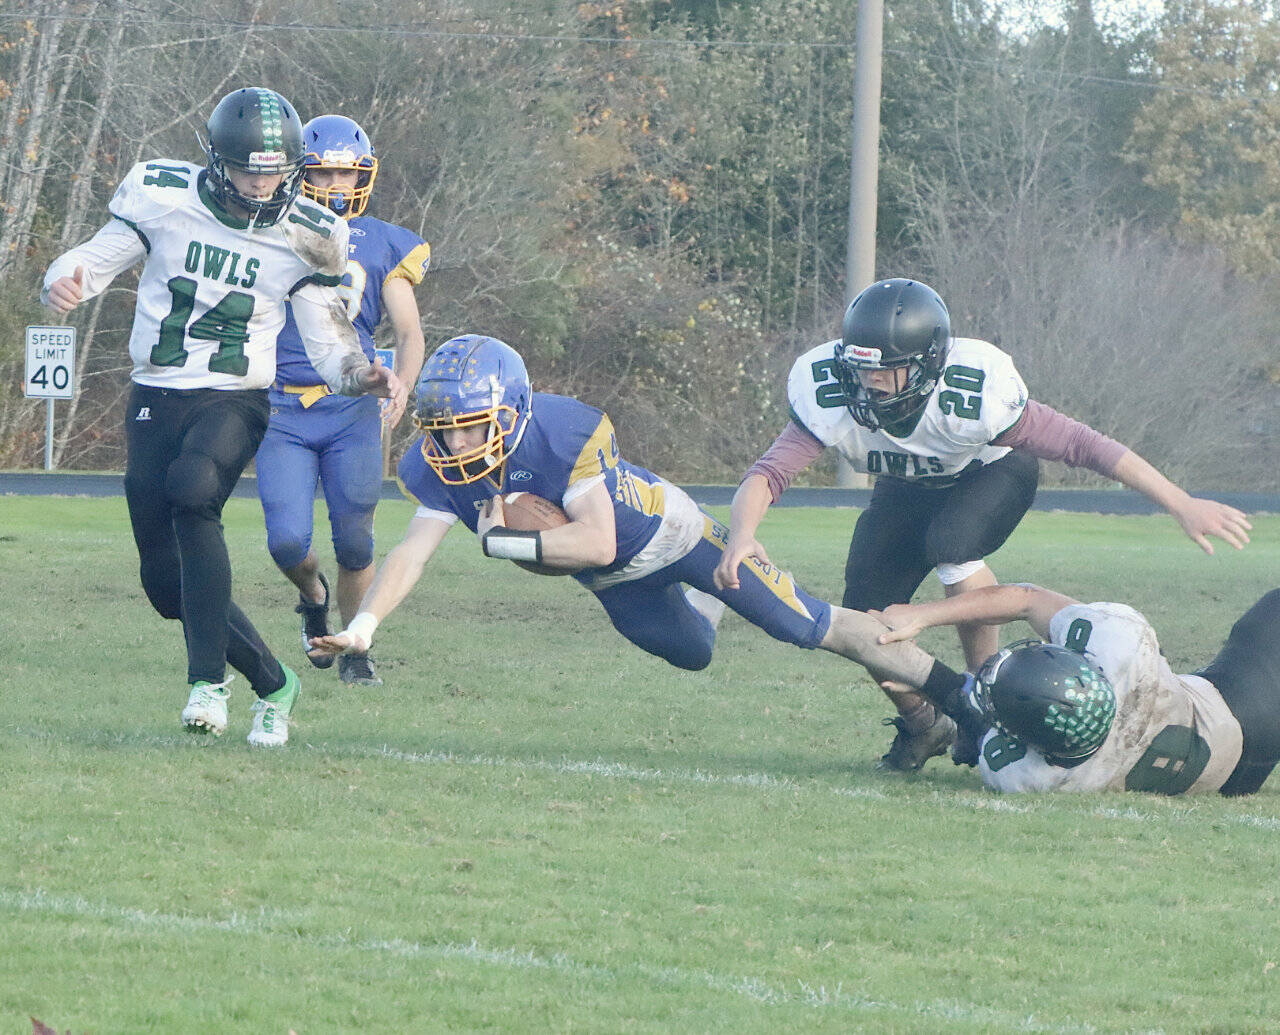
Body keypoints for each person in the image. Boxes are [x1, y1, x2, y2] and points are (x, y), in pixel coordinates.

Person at [715, 277, 1252, 772]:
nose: (870, 382)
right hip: (905, 490)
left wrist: (1180, 502)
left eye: (885, 369)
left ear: (927, 364)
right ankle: (927, 725)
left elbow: (1084, 445)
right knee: (865, 620)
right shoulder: (833, 392)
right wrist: (742, 534)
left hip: (991, 475)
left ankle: (986, 705)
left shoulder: (974, 394)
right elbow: (769, 473)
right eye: (860, 367)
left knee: (954, 544)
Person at [308, 333, 972, 727]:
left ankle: (966, 700)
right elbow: (411, 553)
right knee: (692, 653)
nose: (453, 439)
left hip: (674, 533)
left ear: (509, 410)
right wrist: (363, 628)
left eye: (469, 423)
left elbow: (594, 537)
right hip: (612, 580)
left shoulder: (565, 432)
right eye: (442, 425)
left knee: (807, 623)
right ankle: (709, 605)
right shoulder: (437, 465)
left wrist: (505, 540)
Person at [41, 87, 404, 747]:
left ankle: (206, 683)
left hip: (236, 396)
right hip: (156, 392)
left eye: (273, 170)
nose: (261, 183)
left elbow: (329, 342)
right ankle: (274, 682)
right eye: (248, 168)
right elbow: (90, 261)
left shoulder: (311, 234)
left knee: (193, 491)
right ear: (215, 159)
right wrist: (61, 280)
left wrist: (361, 375)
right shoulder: (161, 195)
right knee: (164, 584)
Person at [256, 114, 429, 688]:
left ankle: (356, 647)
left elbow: (408, 331)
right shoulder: (271, 228)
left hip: (352, 409)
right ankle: (312, 595)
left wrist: (401, 385)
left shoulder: (383, 242)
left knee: (355, 538)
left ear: (364, 176)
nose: (335, 184)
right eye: (324, 171)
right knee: (286, 541)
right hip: (280, 407)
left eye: (345, 172)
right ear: (301, 173)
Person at [873, 583, 1280, 796]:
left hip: (1229, 778)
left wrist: (938, 692)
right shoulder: (1121, 644)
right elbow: (1028, 599)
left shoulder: (1026, 776)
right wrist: (923, 616)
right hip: (1244, 709)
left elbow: (990, 723)